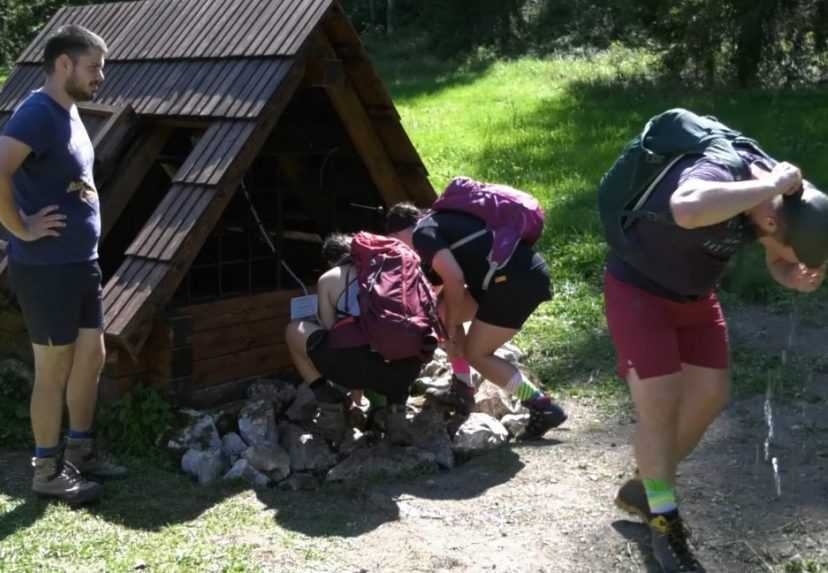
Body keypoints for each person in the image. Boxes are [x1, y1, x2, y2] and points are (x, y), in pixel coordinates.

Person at [602, 144, 828, 571]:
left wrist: (793, 277)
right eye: (788, 248)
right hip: (638, 291)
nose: (782, 254)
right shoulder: (727, 169)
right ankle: (665, 522)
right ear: (771, 218)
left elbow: (776, 258)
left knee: (710, 395)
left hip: (695, 297)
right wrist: (771, 184)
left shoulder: (787, 208)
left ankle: (645, 487)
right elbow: (686, 208)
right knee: (660, 406)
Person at [0, 24, 125, 506]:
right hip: (46, 269)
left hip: (80, 263)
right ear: (64, 64)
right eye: (93, 67)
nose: (100, 75)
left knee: (92, 357)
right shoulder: (37, 112)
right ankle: (46, 469)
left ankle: (80, 450)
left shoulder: (70, 112)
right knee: (53, 368)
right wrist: (20, 227)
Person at [384, 202, 567, 439]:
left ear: (399, 233)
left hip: (513, 281)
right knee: (441, 312)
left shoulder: (422, 233)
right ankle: (462, 386)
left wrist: (449, 327)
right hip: (513, 276)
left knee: (477, 353)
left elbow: (456, 279)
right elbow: (437, 296)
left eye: (396, 242)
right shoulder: (440, 224)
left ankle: (541, 405)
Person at [285, 234, 423, 440]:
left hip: (356, 368)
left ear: (331, 261)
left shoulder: (330, 277)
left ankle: (330, 404)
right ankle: (397, 414)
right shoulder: (393, 268)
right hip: (405, 370)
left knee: (294, 330)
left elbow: (332, 331)